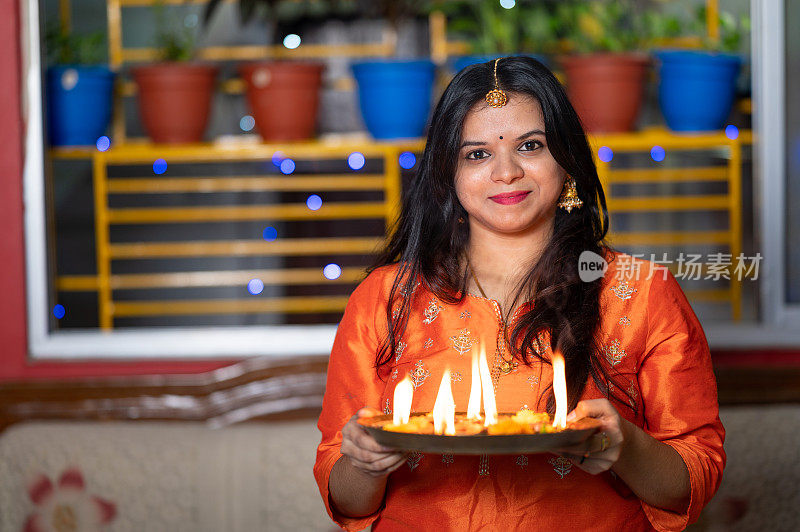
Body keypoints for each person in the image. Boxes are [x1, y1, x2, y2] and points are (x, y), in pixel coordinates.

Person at [313, 56, 724, 531]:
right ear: (449, 174)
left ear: (566, 161)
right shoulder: (385, 300)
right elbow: (345, 498)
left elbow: (696, 474)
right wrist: (365, 463)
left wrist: (624, 446)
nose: (506, 172)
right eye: (477, 153)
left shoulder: (640, 294)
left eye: (530, 145)